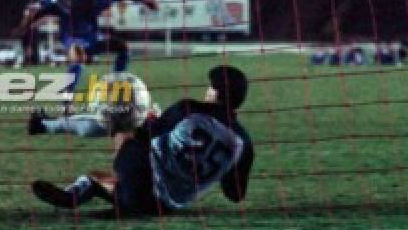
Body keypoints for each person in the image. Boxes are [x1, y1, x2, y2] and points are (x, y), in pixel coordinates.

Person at [30, 65, 254, 216]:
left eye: (211, 87)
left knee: (121, 119)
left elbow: (145, 134)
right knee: (117, 182)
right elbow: (235, 195)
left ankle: (72, 185)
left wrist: (148, 118)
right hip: (168, 206)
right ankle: (99, 189)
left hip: (139, 185)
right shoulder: (245, 144)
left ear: (215, 92)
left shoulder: (188, 109)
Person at [13, 0, 157, 100]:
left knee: (122, 47)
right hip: (72, 38)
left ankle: (116, 85)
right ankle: (67, 102)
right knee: (78, 56)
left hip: (93, 38)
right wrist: (24, 25)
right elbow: (36, 7)